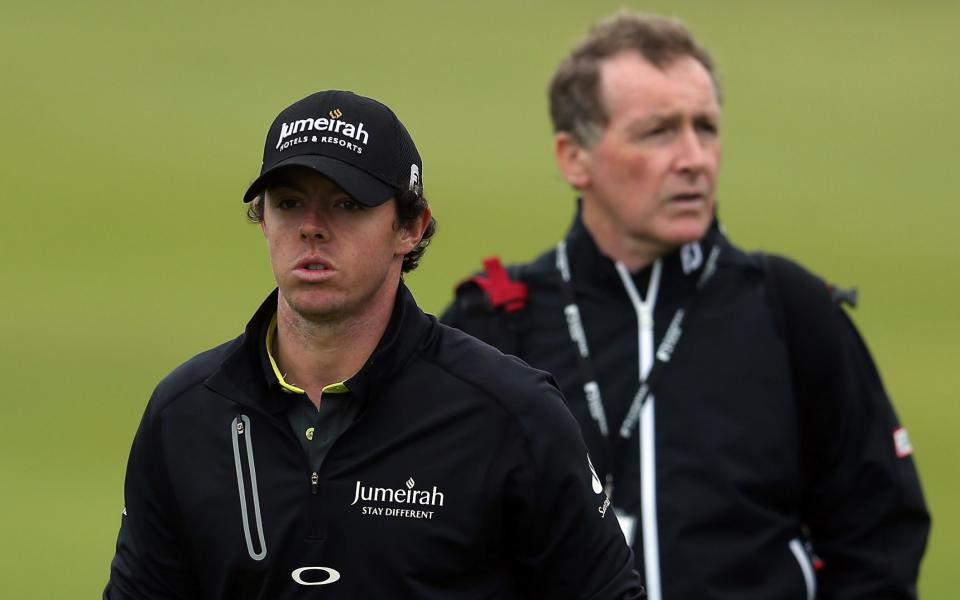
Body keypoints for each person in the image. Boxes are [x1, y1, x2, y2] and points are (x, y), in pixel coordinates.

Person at [442, 13, 929, 600]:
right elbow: (435, 544)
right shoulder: (494, 323)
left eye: (706, 128)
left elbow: (879, 537)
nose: (694, 158)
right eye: (658, 132)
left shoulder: (790, 310)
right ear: (575, 159)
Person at [104, 90, 645, 599]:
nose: (311, 228)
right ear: (263, 221)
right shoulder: (186, 414)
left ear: (410, 227)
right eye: (289, 203)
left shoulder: (511, 413)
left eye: (346, 205)